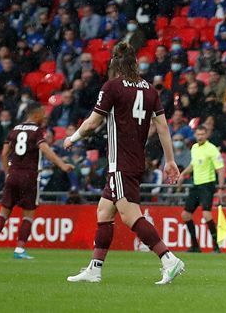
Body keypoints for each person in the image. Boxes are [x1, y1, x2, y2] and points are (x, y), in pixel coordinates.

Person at [62, 41, 186, 285]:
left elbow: (92, 124)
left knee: (130, 217)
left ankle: (168, 258)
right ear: (135, 63)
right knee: (104, 212)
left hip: (120, 162)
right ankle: (95, 268)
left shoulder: (113, 87)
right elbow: (162, 127)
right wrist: (169, 160)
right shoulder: (150, 90)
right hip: (134, 161)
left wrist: (72, 137)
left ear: (114, 64)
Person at [0, 102, 72, 260]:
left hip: (13, 174)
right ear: (35, 115)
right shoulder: (37, 132)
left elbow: (3, 154)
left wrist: (8, 172)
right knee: (28, 215)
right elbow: (45, 150)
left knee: (3, 212)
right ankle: (19, 249)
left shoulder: (14, 130)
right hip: (29, 176)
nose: (44, 117)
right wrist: (62, 165)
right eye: (42, 114)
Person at [179, 122, 225, 254]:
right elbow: (193, 164)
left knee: (206, 214)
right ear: (195, 135)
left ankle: (216, 247)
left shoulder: (211, 149)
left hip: (207, 185)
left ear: (206, 135)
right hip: (196, 185)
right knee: (186, 215)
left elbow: (221, 169)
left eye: (202, 134)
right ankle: (195, 246)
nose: (200, 136)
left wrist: (220, 188)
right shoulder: (194, 147)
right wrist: (183, 174)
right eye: (198, 134)